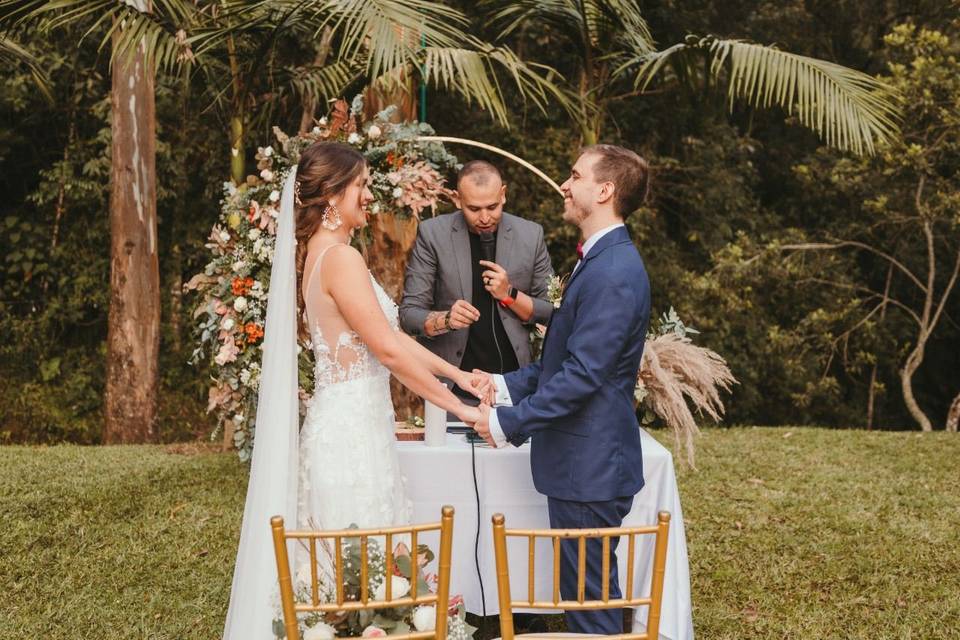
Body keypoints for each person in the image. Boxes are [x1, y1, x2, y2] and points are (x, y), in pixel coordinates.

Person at [223, 142, 490, 639]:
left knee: (366, 579)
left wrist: (459, 376)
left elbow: (390, 343)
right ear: (331, 195)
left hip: (358, 430)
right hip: (349, 442)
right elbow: (388, 352)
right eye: (361, 186)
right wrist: (463, 409)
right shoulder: (340, 259)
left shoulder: (323, 255)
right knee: (356, 581)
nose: (369, 196)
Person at [471, 145, 652, 635]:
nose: (565, 185)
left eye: (575, 176)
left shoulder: (613, 272)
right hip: (582, 465)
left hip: (589, 466)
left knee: (590, 608)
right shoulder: (600, 261)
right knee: (585, 598)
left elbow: (584, 376)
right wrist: (502, 384)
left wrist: (506, 422)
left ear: (605, 190)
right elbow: (563, 361)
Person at [399, 160, 554, 402]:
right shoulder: (432, 234)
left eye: (492, 207)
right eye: (473, 209)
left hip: (515, 387)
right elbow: (409, 315)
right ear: (457, 199)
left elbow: (551, 312)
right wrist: (446, 320)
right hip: (451, 389)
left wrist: (510, 294)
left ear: (503, 194)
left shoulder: (530, 235)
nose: (484, 217)